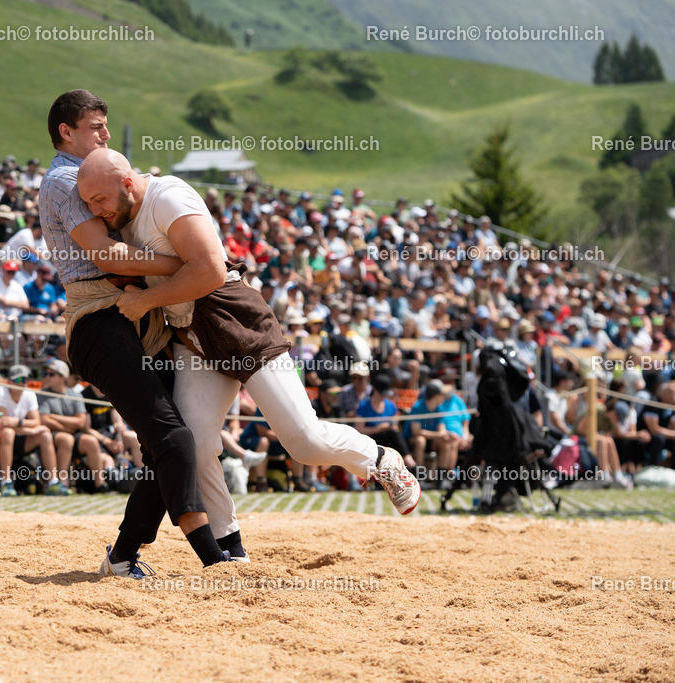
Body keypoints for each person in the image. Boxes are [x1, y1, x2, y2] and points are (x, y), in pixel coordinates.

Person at [77, 148, 420, 514]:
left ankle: (382, 459)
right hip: (189, 336)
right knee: (195, 444)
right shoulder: (119, 217)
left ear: (127, 183)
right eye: (88, 203)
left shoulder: (168, 196)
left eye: (99, 200)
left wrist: (145, 301)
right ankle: (228, 548)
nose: (96, 210)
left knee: (304, 442)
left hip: (235, 319)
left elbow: (208, 272)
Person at [40, 90, 231, 574]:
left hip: (131, 313)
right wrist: (190, 263)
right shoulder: (68, 181)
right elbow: (106, 257)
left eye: (106, 126)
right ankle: (214, 558)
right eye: (95, 127)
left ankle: (123, 557)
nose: (105, 134)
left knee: (167, 446)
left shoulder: (90, 176)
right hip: (100, 316)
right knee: (174, 440)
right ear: (67, 132)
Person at [0, 363, 69, 496]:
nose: (22, 383)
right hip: (1, 438)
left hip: (20, 437)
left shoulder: (29, 394)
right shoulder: (0, 392)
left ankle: (53, 482)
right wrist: (27, 428)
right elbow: (3, 424)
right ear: (9, 381)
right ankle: (6, 482)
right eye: (18, 380)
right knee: (8, 433)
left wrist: (19, 422)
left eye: (25, 380)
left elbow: (36, 422)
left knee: (45, 434)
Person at [37, 359, 108, 493]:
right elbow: (44, 420)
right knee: (66, 439)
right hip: (52, 436)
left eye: (51, 374)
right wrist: (68, 426)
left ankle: (100, 484)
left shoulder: (75, 395)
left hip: (69, 434)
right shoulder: (43, 394)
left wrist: (55, 417)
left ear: (63, 377)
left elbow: (80, 422)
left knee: (91, 441)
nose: (47, 376)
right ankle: (61, 482)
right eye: (46, 373)